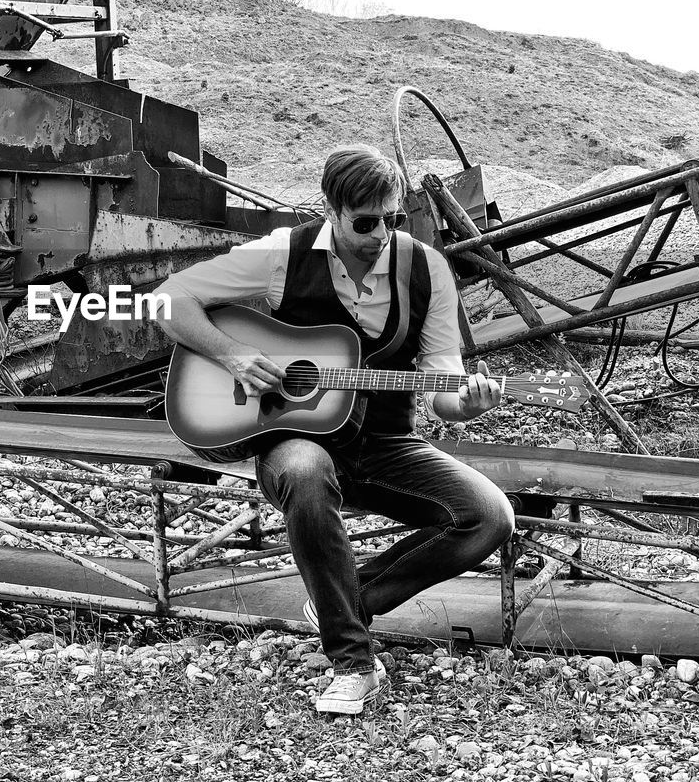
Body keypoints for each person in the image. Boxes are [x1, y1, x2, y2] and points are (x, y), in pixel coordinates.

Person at [156, 144, 515, 715]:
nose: (380, 234)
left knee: (490, 515)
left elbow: (443, 390)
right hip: (297, 439)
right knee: (304, 469)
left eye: (392, 219)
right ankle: (352, 661)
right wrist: (232, 356)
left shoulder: (428, 269)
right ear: (331, 208)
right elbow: (168, 300)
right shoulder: (281, 255)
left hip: (386, 444)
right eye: (365, 223)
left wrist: (468, 402)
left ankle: (343, 601)